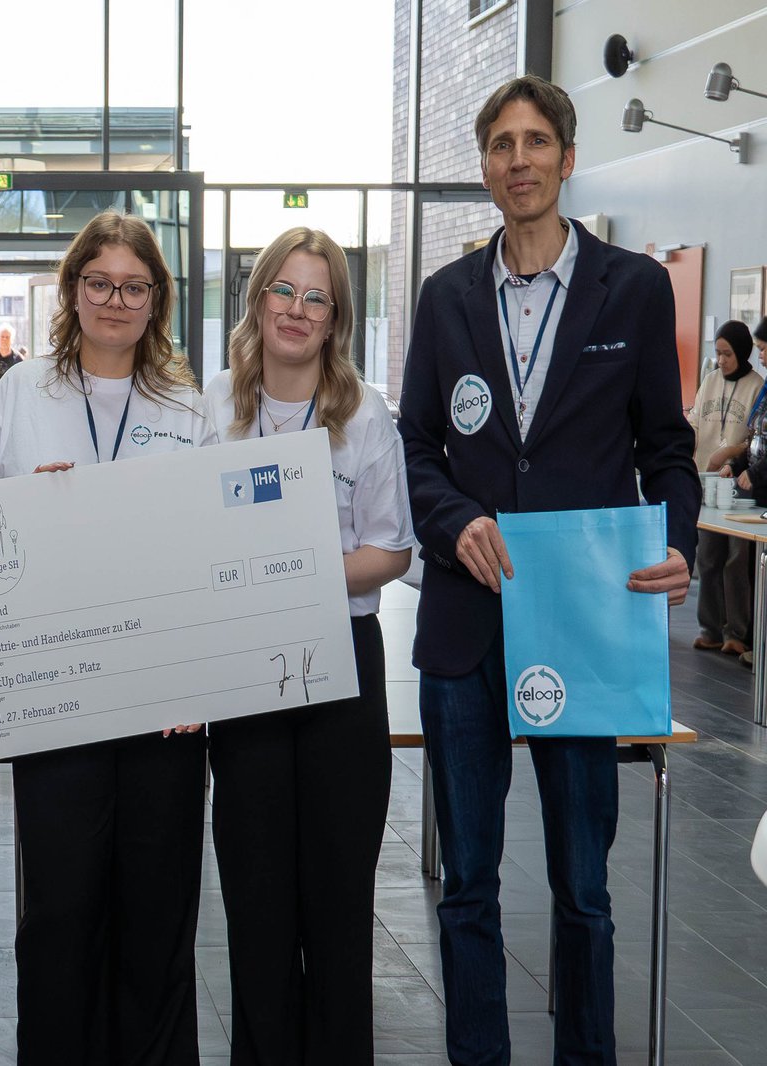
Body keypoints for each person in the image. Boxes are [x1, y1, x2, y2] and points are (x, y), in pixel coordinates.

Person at [398, 76, 699, 1064]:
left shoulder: (634, 288)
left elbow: (665, 446)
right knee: (468, 884)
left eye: (535, 142)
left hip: (583, 619)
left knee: (584, 887)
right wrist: (453, 522)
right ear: (483, 165)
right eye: (499, 144)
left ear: (566, 158)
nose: (517, 159)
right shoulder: (444, 299)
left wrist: (679, 542)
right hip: (466, 620)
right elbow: (417, 449)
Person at [0, 209, 213, 1065]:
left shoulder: (188, 408)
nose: (116, 299)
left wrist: (196, 681)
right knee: (61, 919)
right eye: (100, 282)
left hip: (164, 713)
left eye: (134, 286)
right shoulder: (19, 396)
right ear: (73, 290)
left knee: (157, 921)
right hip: (57, 706)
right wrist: (29, 511)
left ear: (156, 300)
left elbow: (210, 555)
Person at [204, 226, 413, 1064]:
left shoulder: (363, 415)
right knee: (255, 907)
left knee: (335, 910)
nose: (296, 309)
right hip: (243, 675)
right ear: (259, 300)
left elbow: (390, 550)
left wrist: (292, 576)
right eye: (283, 291)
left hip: (340, 668)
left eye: (315, 296)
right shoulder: (211, 405)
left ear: (336, 318)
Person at [691, 320, 760, 656]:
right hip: (706, 478)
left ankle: (737, 632)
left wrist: (732, 455)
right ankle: (710, 628)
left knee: (736, 558)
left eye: (727, 353)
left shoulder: (756, 385)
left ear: (742, 351)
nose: (721, 360)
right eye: (717, 353)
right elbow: (693, 421)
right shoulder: (709, 381)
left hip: (737, 481)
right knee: (707, 555)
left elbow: (754, 440)